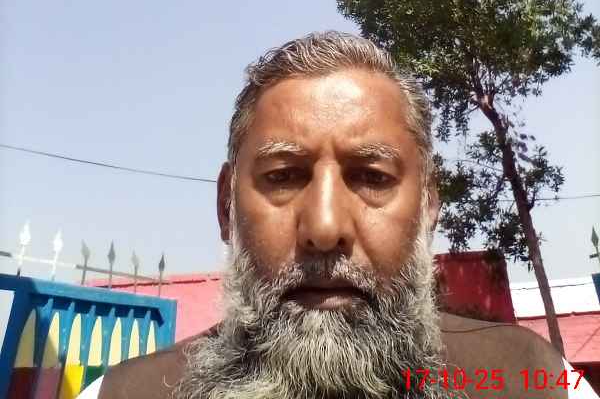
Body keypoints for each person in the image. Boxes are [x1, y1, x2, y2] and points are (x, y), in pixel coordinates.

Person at [80, 32, 596, 399]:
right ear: (226, 207)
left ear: (428, 207)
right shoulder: (124, 393)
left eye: (371, 176)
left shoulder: (532, 380)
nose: (325, 229)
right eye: (283, 176)